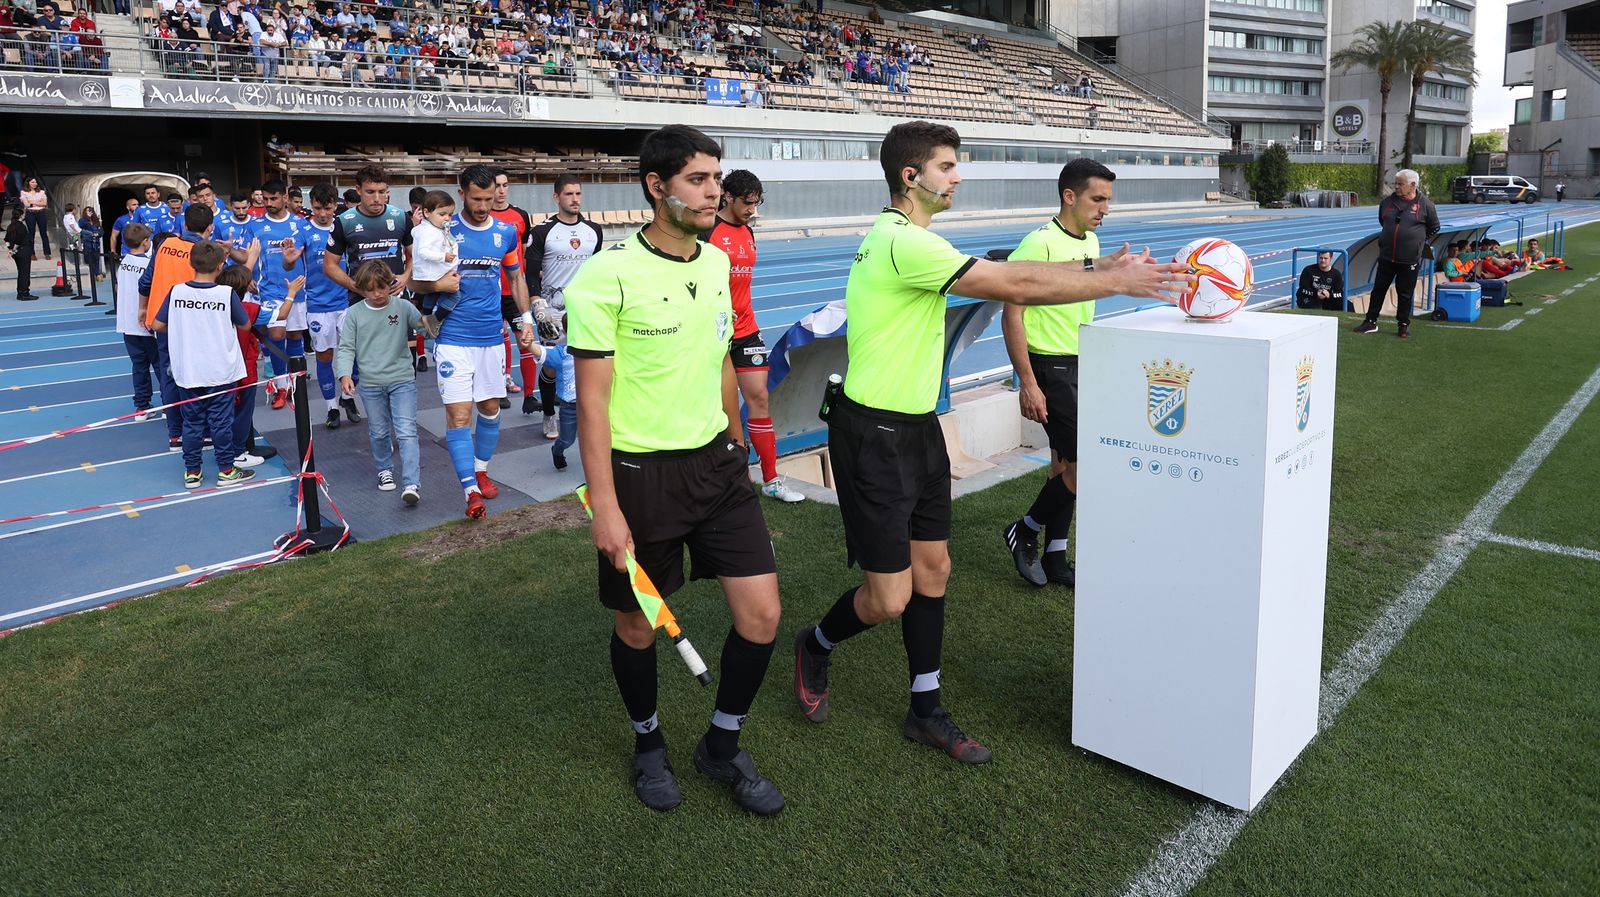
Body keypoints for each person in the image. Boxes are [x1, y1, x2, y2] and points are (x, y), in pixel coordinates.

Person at [789, 121, 1189, 764]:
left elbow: (1018, 270)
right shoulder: (899, 243)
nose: (958, 175)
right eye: (947, 166)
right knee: (888, 598)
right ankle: (815, 644)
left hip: (917, 430)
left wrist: (1094, 265)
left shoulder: (917, 239)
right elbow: (1015, 285)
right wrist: (1112, 280)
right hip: (873, 436)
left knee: (936, 570)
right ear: (909, 177)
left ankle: (926, 709)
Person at [566, 124, 785, 815]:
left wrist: (734, 436)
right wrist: (606, 503)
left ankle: (720, 745)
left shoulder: (717, 262)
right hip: (641, 478)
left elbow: (721, 355)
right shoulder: (605, 275)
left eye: (715, 177)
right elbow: (593, 402)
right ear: (656, 187)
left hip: (717, 469)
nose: (712, 191)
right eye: (697, 179)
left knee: (763, 615)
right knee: (638, 626)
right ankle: (648, 742)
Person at [999, 158, 1130, 589]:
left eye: (1108, 200)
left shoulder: (1090, 245)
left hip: (1079, 363)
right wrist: (1028, 382)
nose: (1105, 209)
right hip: (1049, 367)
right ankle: (1027, 529)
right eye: (1097, 199)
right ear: (1069, 197)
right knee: (1085, 466)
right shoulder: (1038, 244)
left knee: (1062, 467)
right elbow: (1011, 314)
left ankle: (1056, 557)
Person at [407, 164, 526, 520]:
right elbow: (414, 283)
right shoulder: (440, 229)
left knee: (489, 410)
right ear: (462, 194)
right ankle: (470, 491)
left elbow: (516, 278)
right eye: (477, 198)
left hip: (491, 337)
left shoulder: (505, 232)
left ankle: (481, 469)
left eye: (490, 198)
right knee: (459, 416)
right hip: (453, 338)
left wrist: (527, 319)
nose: (484, 205)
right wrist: (437, 287)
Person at [705, 169, 802, 503]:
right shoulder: (707, 232)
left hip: (746, 330)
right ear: (727, 196)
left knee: (759, 398)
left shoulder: (747, 231)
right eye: (747, 203)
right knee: (721, 409)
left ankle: (772, 480)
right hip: (712, 335)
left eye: (756, 203)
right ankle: (733, 476)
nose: (752, 210)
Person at [150, 240, 257, 489]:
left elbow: (156, 325)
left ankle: (192, 472)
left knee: (192, 422)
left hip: (188, 369)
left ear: (191, 263)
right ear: (220, 266)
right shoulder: (226, 293)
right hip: (220, 369)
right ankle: (226, 470)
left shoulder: (176, 291)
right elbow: (245, 325)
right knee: (221, 422)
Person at [337, 260, 423, 505]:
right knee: (379, 431)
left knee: (407, 431)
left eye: (381, 288)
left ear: (390, 285)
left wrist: (436, 314)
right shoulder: (354, 314)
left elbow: (426, 329)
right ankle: (384, 469)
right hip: (371, 382)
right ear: (362, 289)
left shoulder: (403, 307)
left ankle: (411, 483)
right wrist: (345, 375)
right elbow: (346, 348)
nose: (376, 294)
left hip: (402, 379)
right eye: (370, 289)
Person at [525, 173, 602, 432]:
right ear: (556, 197)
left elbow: (597, 271)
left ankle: (586, 412)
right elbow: (530, 274)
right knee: (553, 366)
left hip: (585, 310)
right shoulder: (542, 232)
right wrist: (539, 308)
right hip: (553, 311)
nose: (575, 199)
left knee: (589, 362)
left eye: (578, 193)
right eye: (569, 194)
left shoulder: (594, 231)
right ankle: (549, 414)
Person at [323, 162, 413, 384]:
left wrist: (406, 277)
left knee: (403, 353)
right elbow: (329, 265)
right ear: (358, 190)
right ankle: (350, 394)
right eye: (370, 192)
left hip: (396, 296)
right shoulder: (344, 222)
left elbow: (416, 254)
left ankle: (398, 403)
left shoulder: (400, 216)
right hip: (360, 299)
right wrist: (357, 287)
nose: (376, 198)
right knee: (363, 354)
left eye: (382, 192)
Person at [139, 202, 217, 452]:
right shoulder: (205, 252)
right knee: (198, 376)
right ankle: (202, 432)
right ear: (210, 228)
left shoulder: (164, 245)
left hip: (163, 322)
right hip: (192, 322)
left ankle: (175, 434)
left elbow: (145, 281)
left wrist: (143, 308)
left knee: (169, 376)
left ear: (183, 224)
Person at [294, 182, 359, 429]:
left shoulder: (346, 227)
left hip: (348, 302)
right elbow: (291, 264)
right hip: (318, 305)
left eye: (328, 208)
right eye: (318, 208)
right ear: (312, 206)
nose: (323, 214)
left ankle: (347, 398)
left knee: (356, 354)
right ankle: (332, 407)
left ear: (336, 205)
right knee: (325, 356)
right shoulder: (303, 230)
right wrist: (289, 262)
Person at [249, 179, 312, 411]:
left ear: (285, 197)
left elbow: (309, 258)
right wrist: (248, 277)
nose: (268, 203)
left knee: (295, 337)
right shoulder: (255, 225)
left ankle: (294, 384)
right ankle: (279, 386)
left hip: (297, 289)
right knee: (277, 335)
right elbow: (251, 254)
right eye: (265, 199)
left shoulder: (301, 225)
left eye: (273, 198)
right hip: (270, 290)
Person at [1354, 169, 1438, 340]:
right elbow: (1383, 221)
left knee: (1405, 292)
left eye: (1401, 184)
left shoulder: (1426, 205)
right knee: (1378, 289)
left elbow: (1434, 227)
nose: (1397, 187)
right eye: (1396, 183)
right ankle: (1370, 321)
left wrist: (1417, 242)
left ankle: (1403, 325)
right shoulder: (1387, 203)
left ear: (1413, 185)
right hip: (1386, 256)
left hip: (1409, 259)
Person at [487, 168, 535, 409]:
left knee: (525, 339)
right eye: (497, 185)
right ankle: (499, 388)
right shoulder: (483, 217)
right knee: (497, 342)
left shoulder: (521, 215)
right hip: (491, 295)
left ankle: (529, 395)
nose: (501, 190)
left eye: (505, 185)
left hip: (514, 293)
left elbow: (523, 254)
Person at [115, 224, 159, 422]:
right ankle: (169, 403)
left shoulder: (123, 262)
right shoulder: (148, 264)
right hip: (146, 324)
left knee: (139, 367)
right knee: (161, 366)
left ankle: (142, 405)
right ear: (145, 242)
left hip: (127, 325)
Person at [412, 189, 460, 332]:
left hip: (435, 271)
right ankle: (435, 319)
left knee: (432, 295)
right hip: (434, 272)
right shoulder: (429, 231)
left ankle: (425, 316)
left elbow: (415, 233)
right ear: (427, 213)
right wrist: (443, 257)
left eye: (450, 215)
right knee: (455, 296)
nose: (447, 218)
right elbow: (423, 251)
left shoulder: (429, 228)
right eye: (442, 214)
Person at [7, 207, 37, 301]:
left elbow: (6, 239)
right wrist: (14, 249)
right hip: (23, 251)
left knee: (21, 273)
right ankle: (24, 292)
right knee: (25, 273)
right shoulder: (21, 226)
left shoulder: (11, 225)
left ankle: (20, 292)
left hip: (17, 253)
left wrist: (10, 249)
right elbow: (19, 240)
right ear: (20, 216)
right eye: (23, 214)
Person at [19, 176, 50, 260]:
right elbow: (26, 204)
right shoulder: (24, 192)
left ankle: (47, 253)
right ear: (28, 183)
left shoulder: (41, 192)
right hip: (30, 213)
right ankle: (32, 253)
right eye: (32, 182)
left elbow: (44, 203)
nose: (34, 184)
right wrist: (37, 203)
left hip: (41, 213)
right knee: (31, 234)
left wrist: (33, 202)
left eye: (35, 182)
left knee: (43, 233)